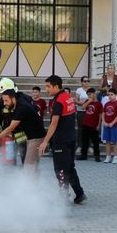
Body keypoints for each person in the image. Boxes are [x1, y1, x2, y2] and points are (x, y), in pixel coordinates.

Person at [38, 75, 86, 204]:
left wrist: (45, 141)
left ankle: (63, 197)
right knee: (70, 167)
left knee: (60, 169)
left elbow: (53, 124)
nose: (46, 89)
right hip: (71, 138)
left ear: (56, 86)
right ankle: (80, 194)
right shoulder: (67, 96)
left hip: (61, 141)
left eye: (48, 86)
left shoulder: (58, 101)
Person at [0, 83, 46, 171]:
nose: (4, 103)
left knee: (28, 168)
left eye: (6, 101)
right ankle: (32, 183)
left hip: (36, 138)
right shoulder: (18, 103)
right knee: (31, 167)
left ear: (13, 98)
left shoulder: (21, 107)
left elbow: (10, 128)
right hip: (31, 137)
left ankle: (30, 184)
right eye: (3, 101)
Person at [77, 88, 102, 162]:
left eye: (90, 94)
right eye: (88, 95)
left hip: (94, 125)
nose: (89, 96)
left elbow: (100, 115)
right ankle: (83, 155)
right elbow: (83, 107)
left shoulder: (99, 104)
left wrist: (98, 125)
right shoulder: (87, 101)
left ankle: (97, 156)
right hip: (85, 123)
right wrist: (89, 101)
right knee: (84, 140)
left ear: (94, 94)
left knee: (95, 141)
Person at [102, 88, 117, 164]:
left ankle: (115, 157)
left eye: (112, 95)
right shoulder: (107, 104)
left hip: (115, 126)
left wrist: (112, 123)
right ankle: (108, 156)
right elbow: (103, 113)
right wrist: (104, 121)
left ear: (115, 95)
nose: (110, 96)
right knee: (107, 141)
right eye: (109, 95)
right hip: (106, 125)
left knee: (115, 141)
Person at [75, 76, 91, 154]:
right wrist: (82, 103)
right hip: (80, 111)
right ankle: (80, 146)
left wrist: (87, 103)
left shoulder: (91, 90)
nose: (86, 82)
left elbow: (93, 100)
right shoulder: (79, 90)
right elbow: (76, 100)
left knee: (90, 129)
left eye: (88, 81)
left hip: (90, 112)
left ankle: (89, 146)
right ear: (81, 82)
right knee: (80, 129)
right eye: (84, 81)